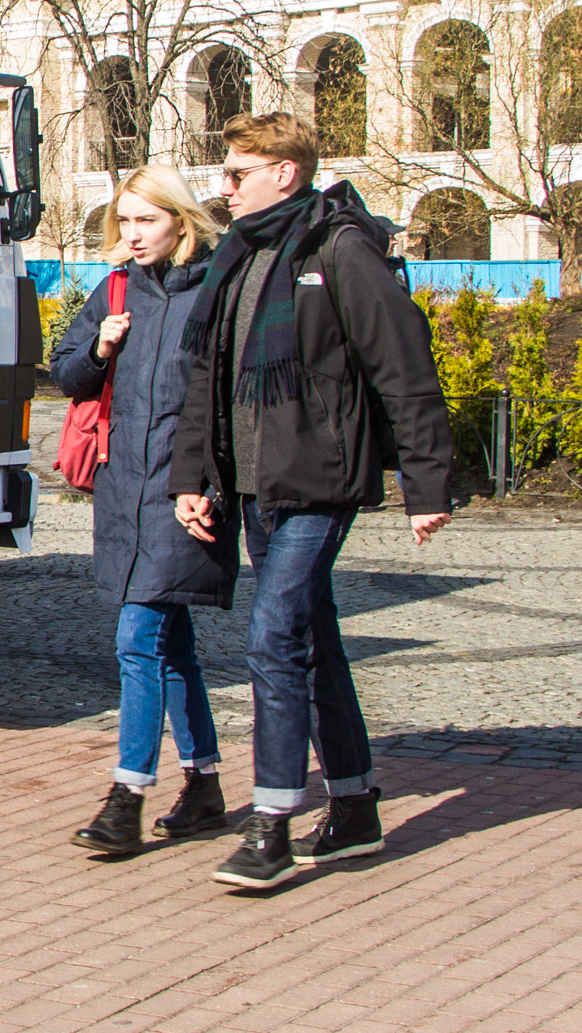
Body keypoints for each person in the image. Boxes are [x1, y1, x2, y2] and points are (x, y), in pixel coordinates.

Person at [170, 112, 454, 891]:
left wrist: (426, 483)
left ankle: (272, 823)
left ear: (285, 172)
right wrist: (191, 479)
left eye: (238, 173)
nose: (224, 188)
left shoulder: (340, 248)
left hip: (322, 478)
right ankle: (357, 803)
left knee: (273, 634)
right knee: (312, 633)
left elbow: (404, 365)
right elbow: (208, 380)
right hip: (257, 484)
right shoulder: (238, 257)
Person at [53, 166, 238, 856]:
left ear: (181, 222)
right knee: (173, 645)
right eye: (124, 221)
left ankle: (127, 795)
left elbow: (225, 404)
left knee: (139, 637)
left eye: (145, 220)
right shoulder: (119, 286)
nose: (132, 234)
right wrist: (101, 345)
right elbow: (66, 370)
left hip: (186, 493)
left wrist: (212, 487)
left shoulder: (216, 293)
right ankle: (205, 785)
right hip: (125, 490)